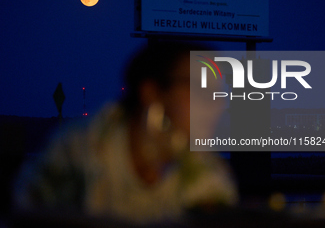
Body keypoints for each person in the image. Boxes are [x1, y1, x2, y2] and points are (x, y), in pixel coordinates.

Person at [13, 41, 238, 225]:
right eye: (200, 87)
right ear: (151, 92)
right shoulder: (80, 149)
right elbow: (24, 212)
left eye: (219, 91)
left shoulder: (202, 168)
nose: (216, 102)